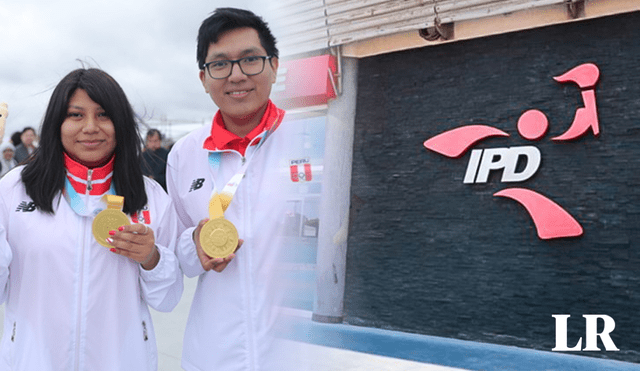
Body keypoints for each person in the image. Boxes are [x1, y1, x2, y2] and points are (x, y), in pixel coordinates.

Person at [0, 68, 183, 370]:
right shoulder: (15, 188)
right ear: (57, 122)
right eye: (75, 115)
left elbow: (168, 299)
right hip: (33, 361)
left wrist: (152, 258)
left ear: (121, 123)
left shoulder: (148, 194)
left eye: (103, 115)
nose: (90, 127)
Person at [167, 8, 303, 371]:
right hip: (214, 353)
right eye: (220, 65)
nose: (237, 75)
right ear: (203, 77)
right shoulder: (184, 155)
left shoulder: (307, 140)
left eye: (250, 60)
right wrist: (193, 243)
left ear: (274, 66)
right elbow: (175, 257)